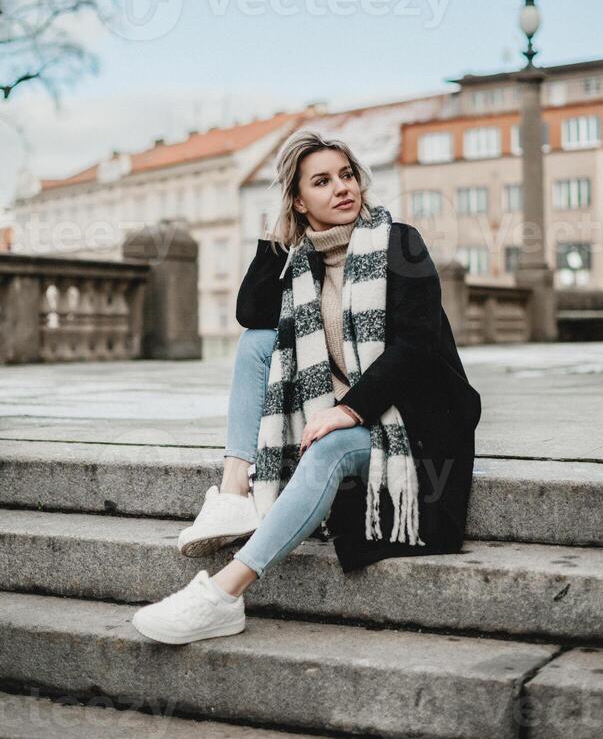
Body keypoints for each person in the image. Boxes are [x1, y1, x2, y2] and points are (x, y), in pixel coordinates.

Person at [132, 130, 481, 645]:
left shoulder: (400, 242)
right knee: (256, 342)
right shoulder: (302, 263)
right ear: (299, 200)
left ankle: (223, 594)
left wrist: (351, 409)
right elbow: (251, 312)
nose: (343, 188)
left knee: (332, 443)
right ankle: (233, 489)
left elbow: (417, 346)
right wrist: (283, 235)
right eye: (322, 182)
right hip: (340, 409)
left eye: (347, 175)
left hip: (413, 419)